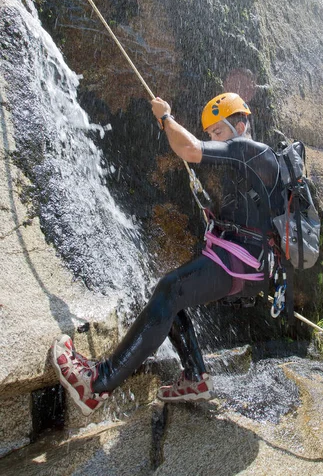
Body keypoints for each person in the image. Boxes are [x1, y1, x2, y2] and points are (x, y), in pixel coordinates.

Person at [51, 93, 281, 416]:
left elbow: (189, 149)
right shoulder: (256, 162)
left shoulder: (246, 149)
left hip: (238, 263)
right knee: (172, 294)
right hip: (248, 266)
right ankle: (195, 377)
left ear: (240, 124)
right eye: (211, 134)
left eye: (218, 132)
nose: (214, 139)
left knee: (170, 290)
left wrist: (165, 118)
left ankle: (96, 384)